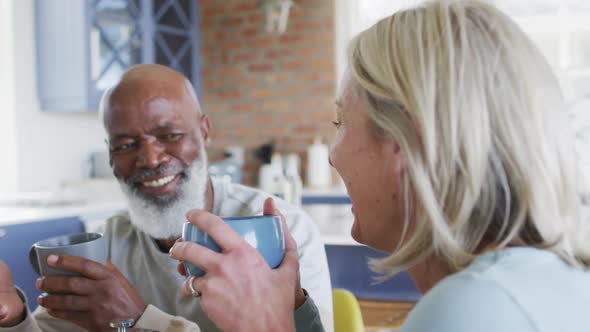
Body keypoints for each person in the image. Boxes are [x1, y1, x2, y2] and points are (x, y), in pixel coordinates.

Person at [169, 1, 590, 331]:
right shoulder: (538, 282)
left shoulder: (475, 309)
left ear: (409, 140)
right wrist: (292, 311)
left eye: (341, 123)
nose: (333, 154)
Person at [0, 64, 333, 331]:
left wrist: (137, 322)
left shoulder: (280, 231)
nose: (150, 159)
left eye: (169, 136)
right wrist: (14, 318)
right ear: (110, 155)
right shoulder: (105, 242)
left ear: (204, 132)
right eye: (126, 145)